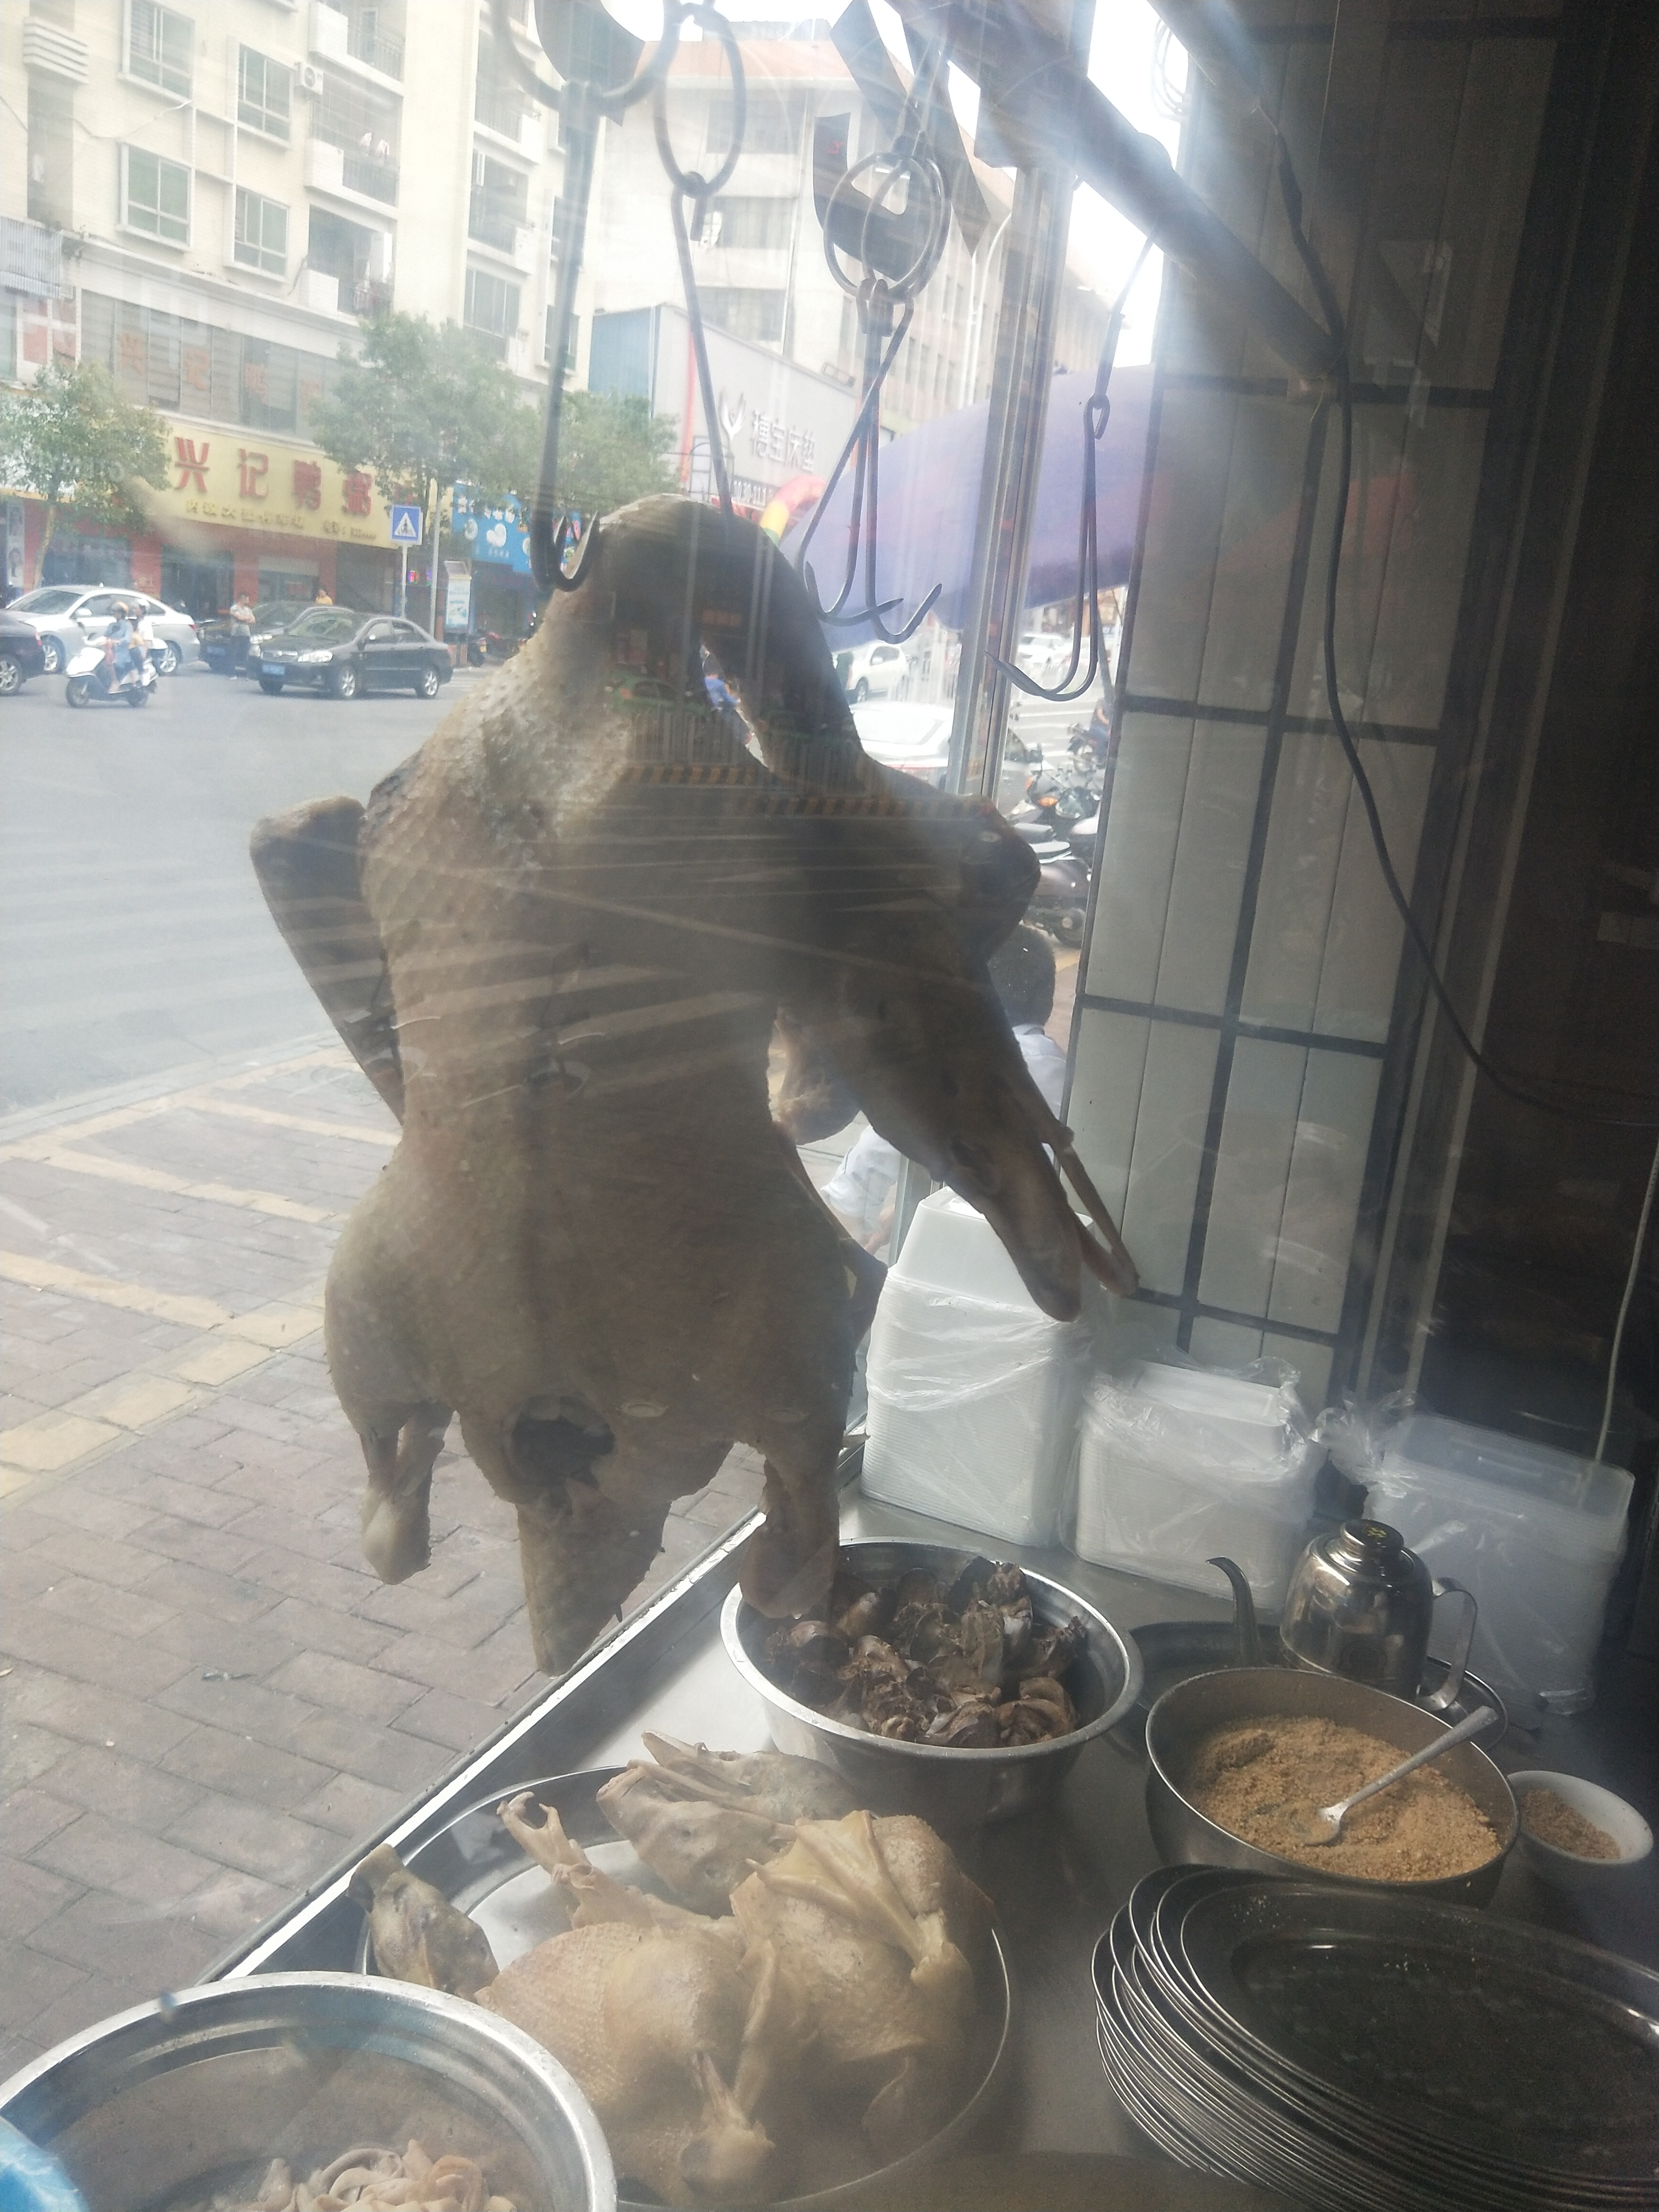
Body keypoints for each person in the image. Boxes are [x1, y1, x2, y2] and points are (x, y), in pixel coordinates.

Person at [821, 924, 1068, 1251]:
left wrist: (846, 1208)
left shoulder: (972, 1065)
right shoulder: (1058, 1067)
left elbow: (880, 1149)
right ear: (1045, 1001)